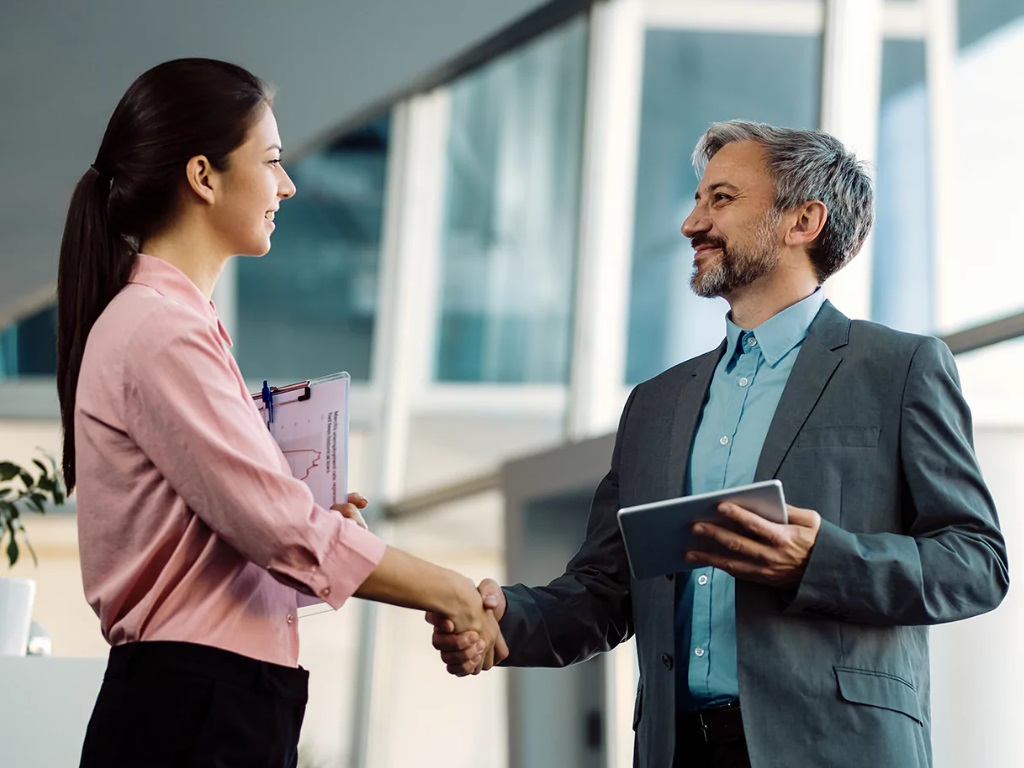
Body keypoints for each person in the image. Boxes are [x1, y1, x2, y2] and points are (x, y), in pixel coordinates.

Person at [428, 120, 1009, 768]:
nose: (690, 223)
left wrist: (820, 560)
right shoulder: (655, 404)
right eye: (698, 199)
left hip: (838, 749)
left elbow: (976, 563)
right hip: (679, 751)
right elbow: (603, 591)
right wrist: (505, 617)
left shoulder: (898, 368)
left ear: (803, 220)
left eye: (721, 200)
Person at [56, 58, 505, 768]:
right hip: (194, 709)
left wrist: (319, 523)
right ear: (203, 177)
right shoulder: (159, 328)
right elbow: (277, 527)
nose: (288, 185)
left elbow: (257, 534)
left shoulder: (172, 324)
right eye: (270, 162)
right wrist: (449, 590)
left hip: (206, 700)